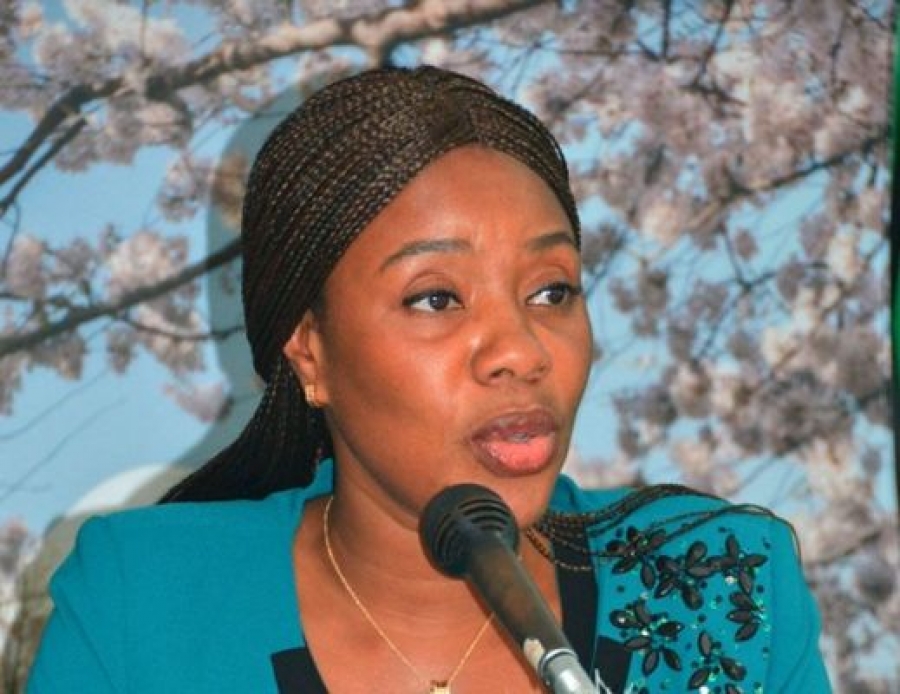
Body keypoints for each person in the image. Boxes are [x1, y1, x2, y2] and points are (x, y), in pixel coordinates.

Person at [27, 66, 831, 693]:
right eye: (437, 298)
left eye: (552, 291)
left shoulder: (723, 587)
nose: (521, 352)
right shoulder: (141, 602)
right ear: (309, 351)